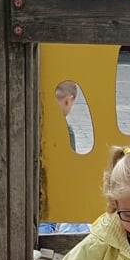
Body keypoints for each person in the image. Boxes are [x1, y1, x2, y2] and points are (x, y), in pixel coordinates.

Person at [38, 80, 92, 238]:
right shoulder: (65, 129)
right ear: (68, 100)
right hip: (55, 192)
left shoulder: (34, 121)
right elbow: (70, 163)